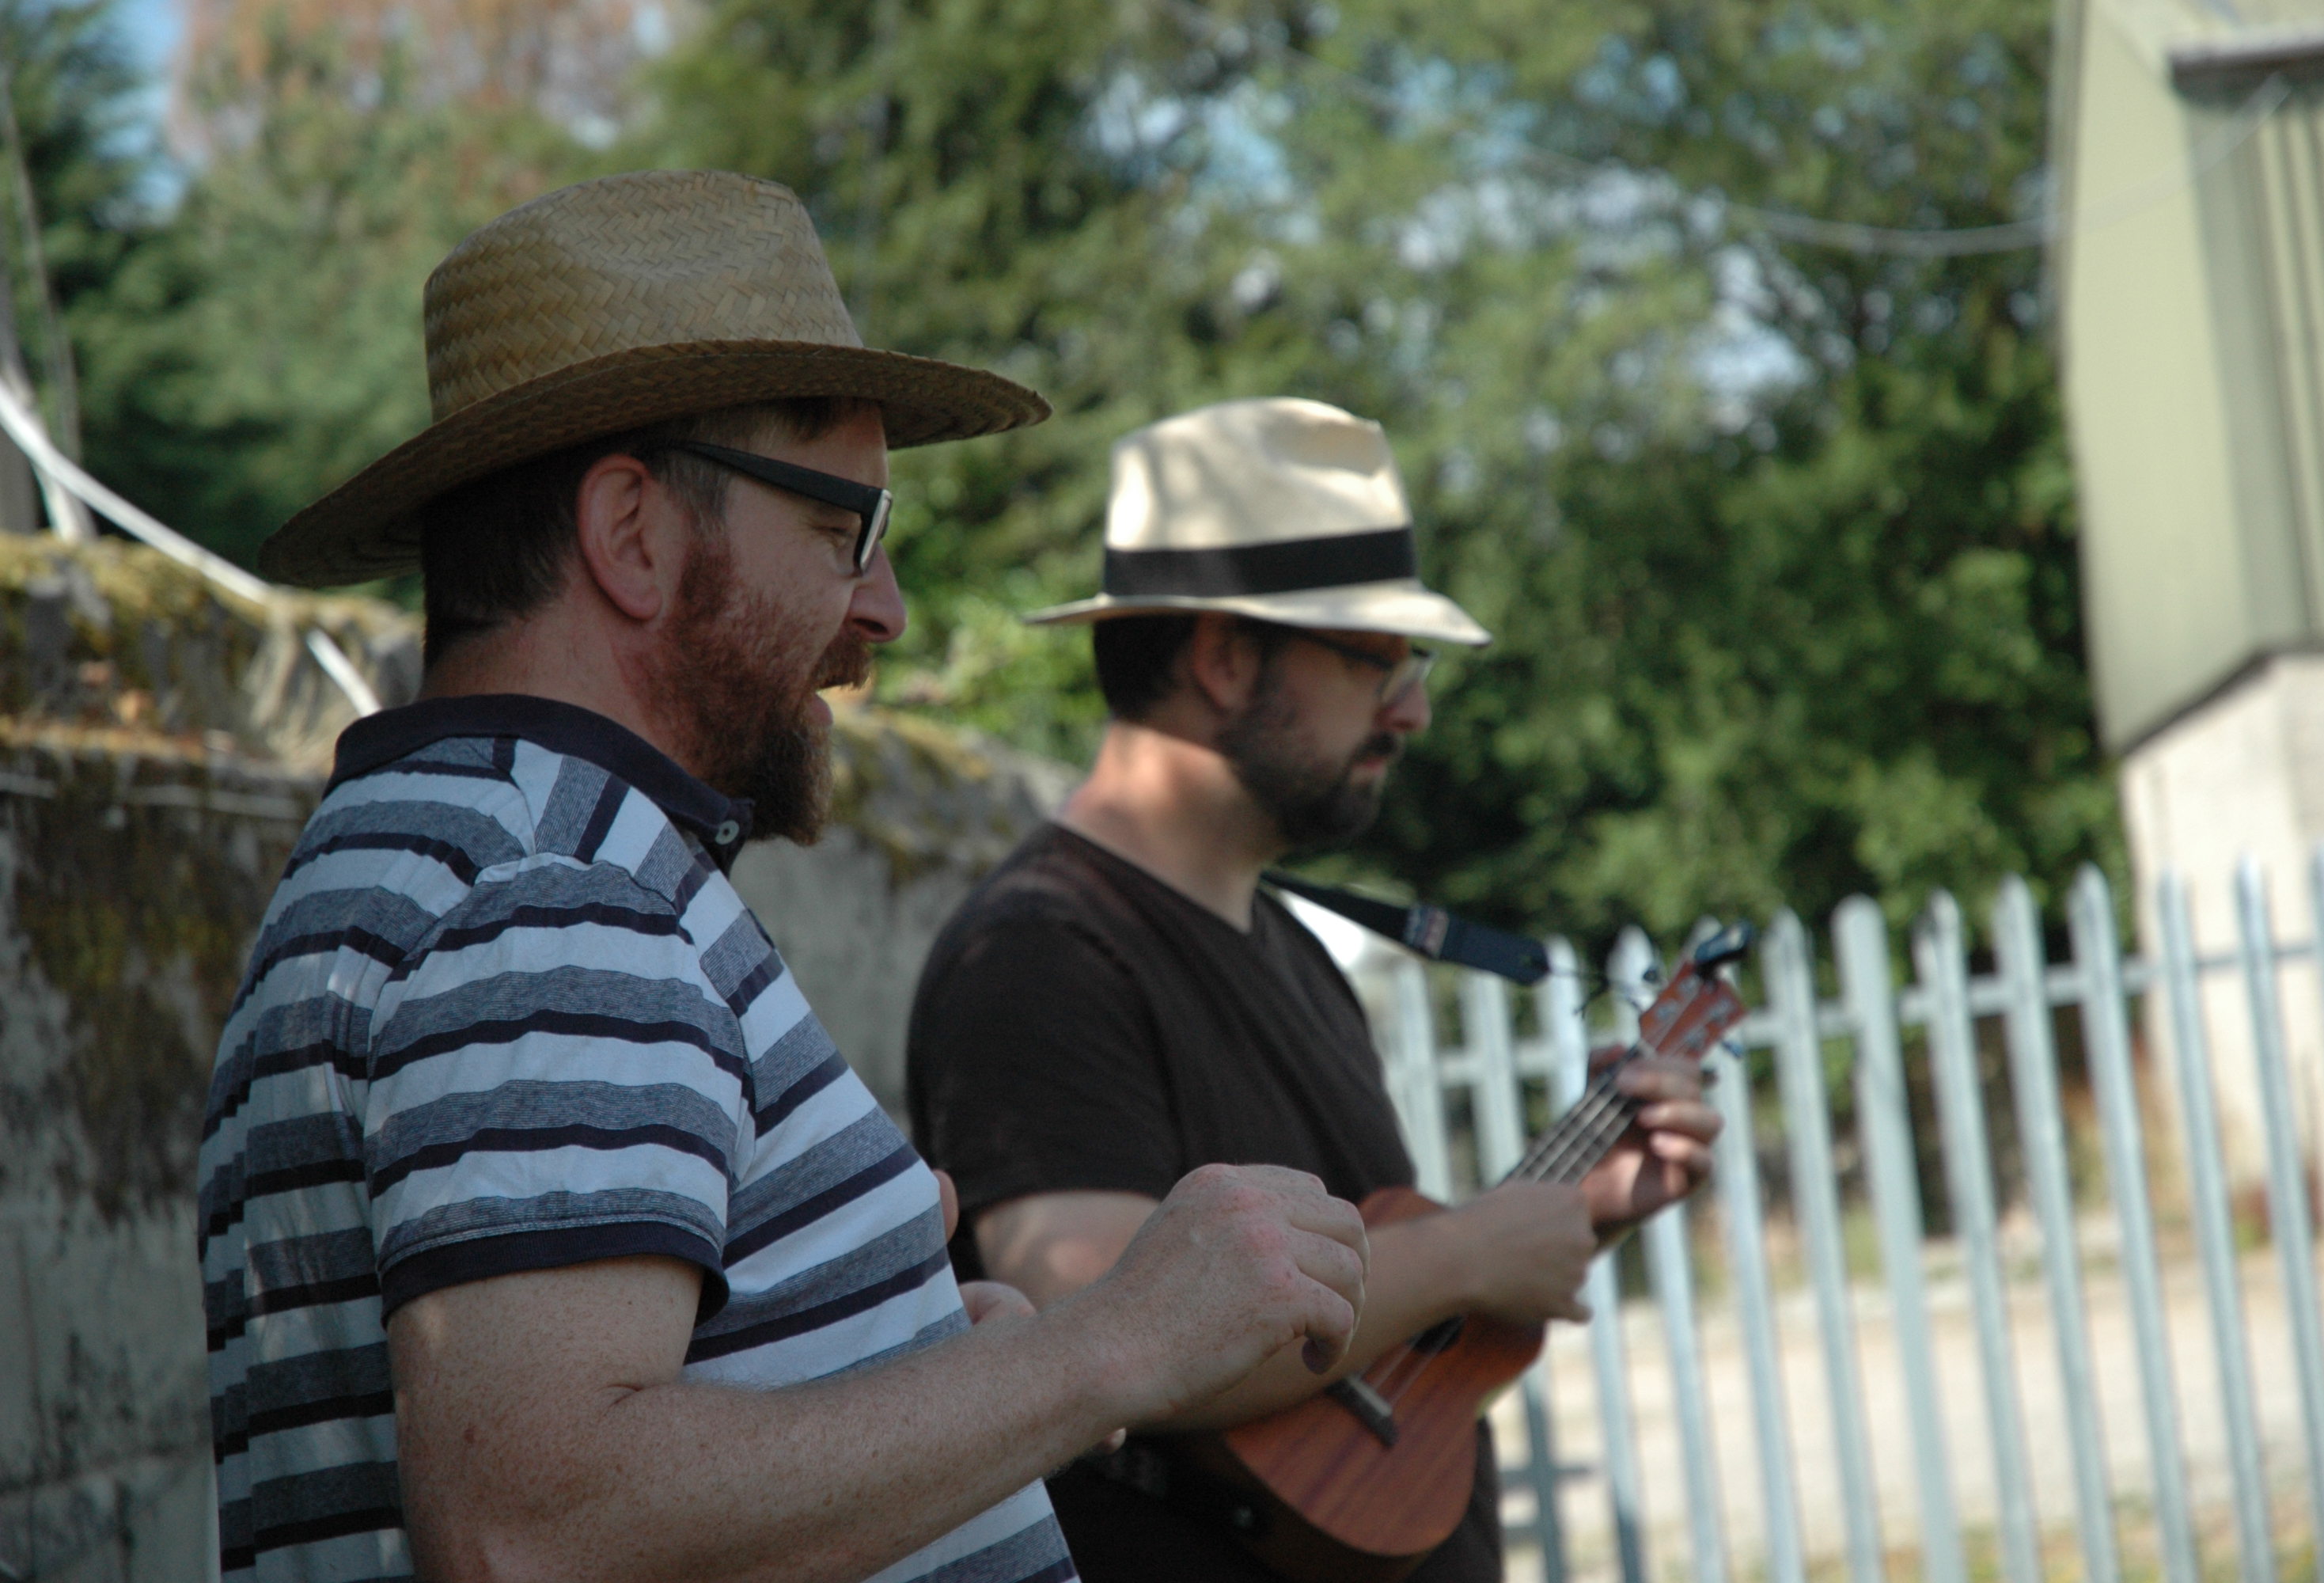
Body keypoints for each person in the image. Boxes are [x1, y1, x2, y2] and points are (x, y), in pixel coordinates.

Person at [196, 173, 1372, 1583]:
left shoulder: (436, 846)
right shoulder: (559, 897)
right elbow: (535, 1529)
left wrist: (909, 1360)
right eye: (843, 531)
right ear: (632, 534)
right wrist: (1104, 1350)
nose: (883, 607)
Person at [905, 397, 1724, 1582]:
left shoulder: (1283, 942)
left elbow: (1338, 1356)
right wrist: (1466, 1253)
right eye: (1376, 659)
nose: (1414, 708)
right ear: (1224, 658)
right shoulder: (1042, 956)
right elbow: (1102, 1329)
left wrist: (1576, 1202)